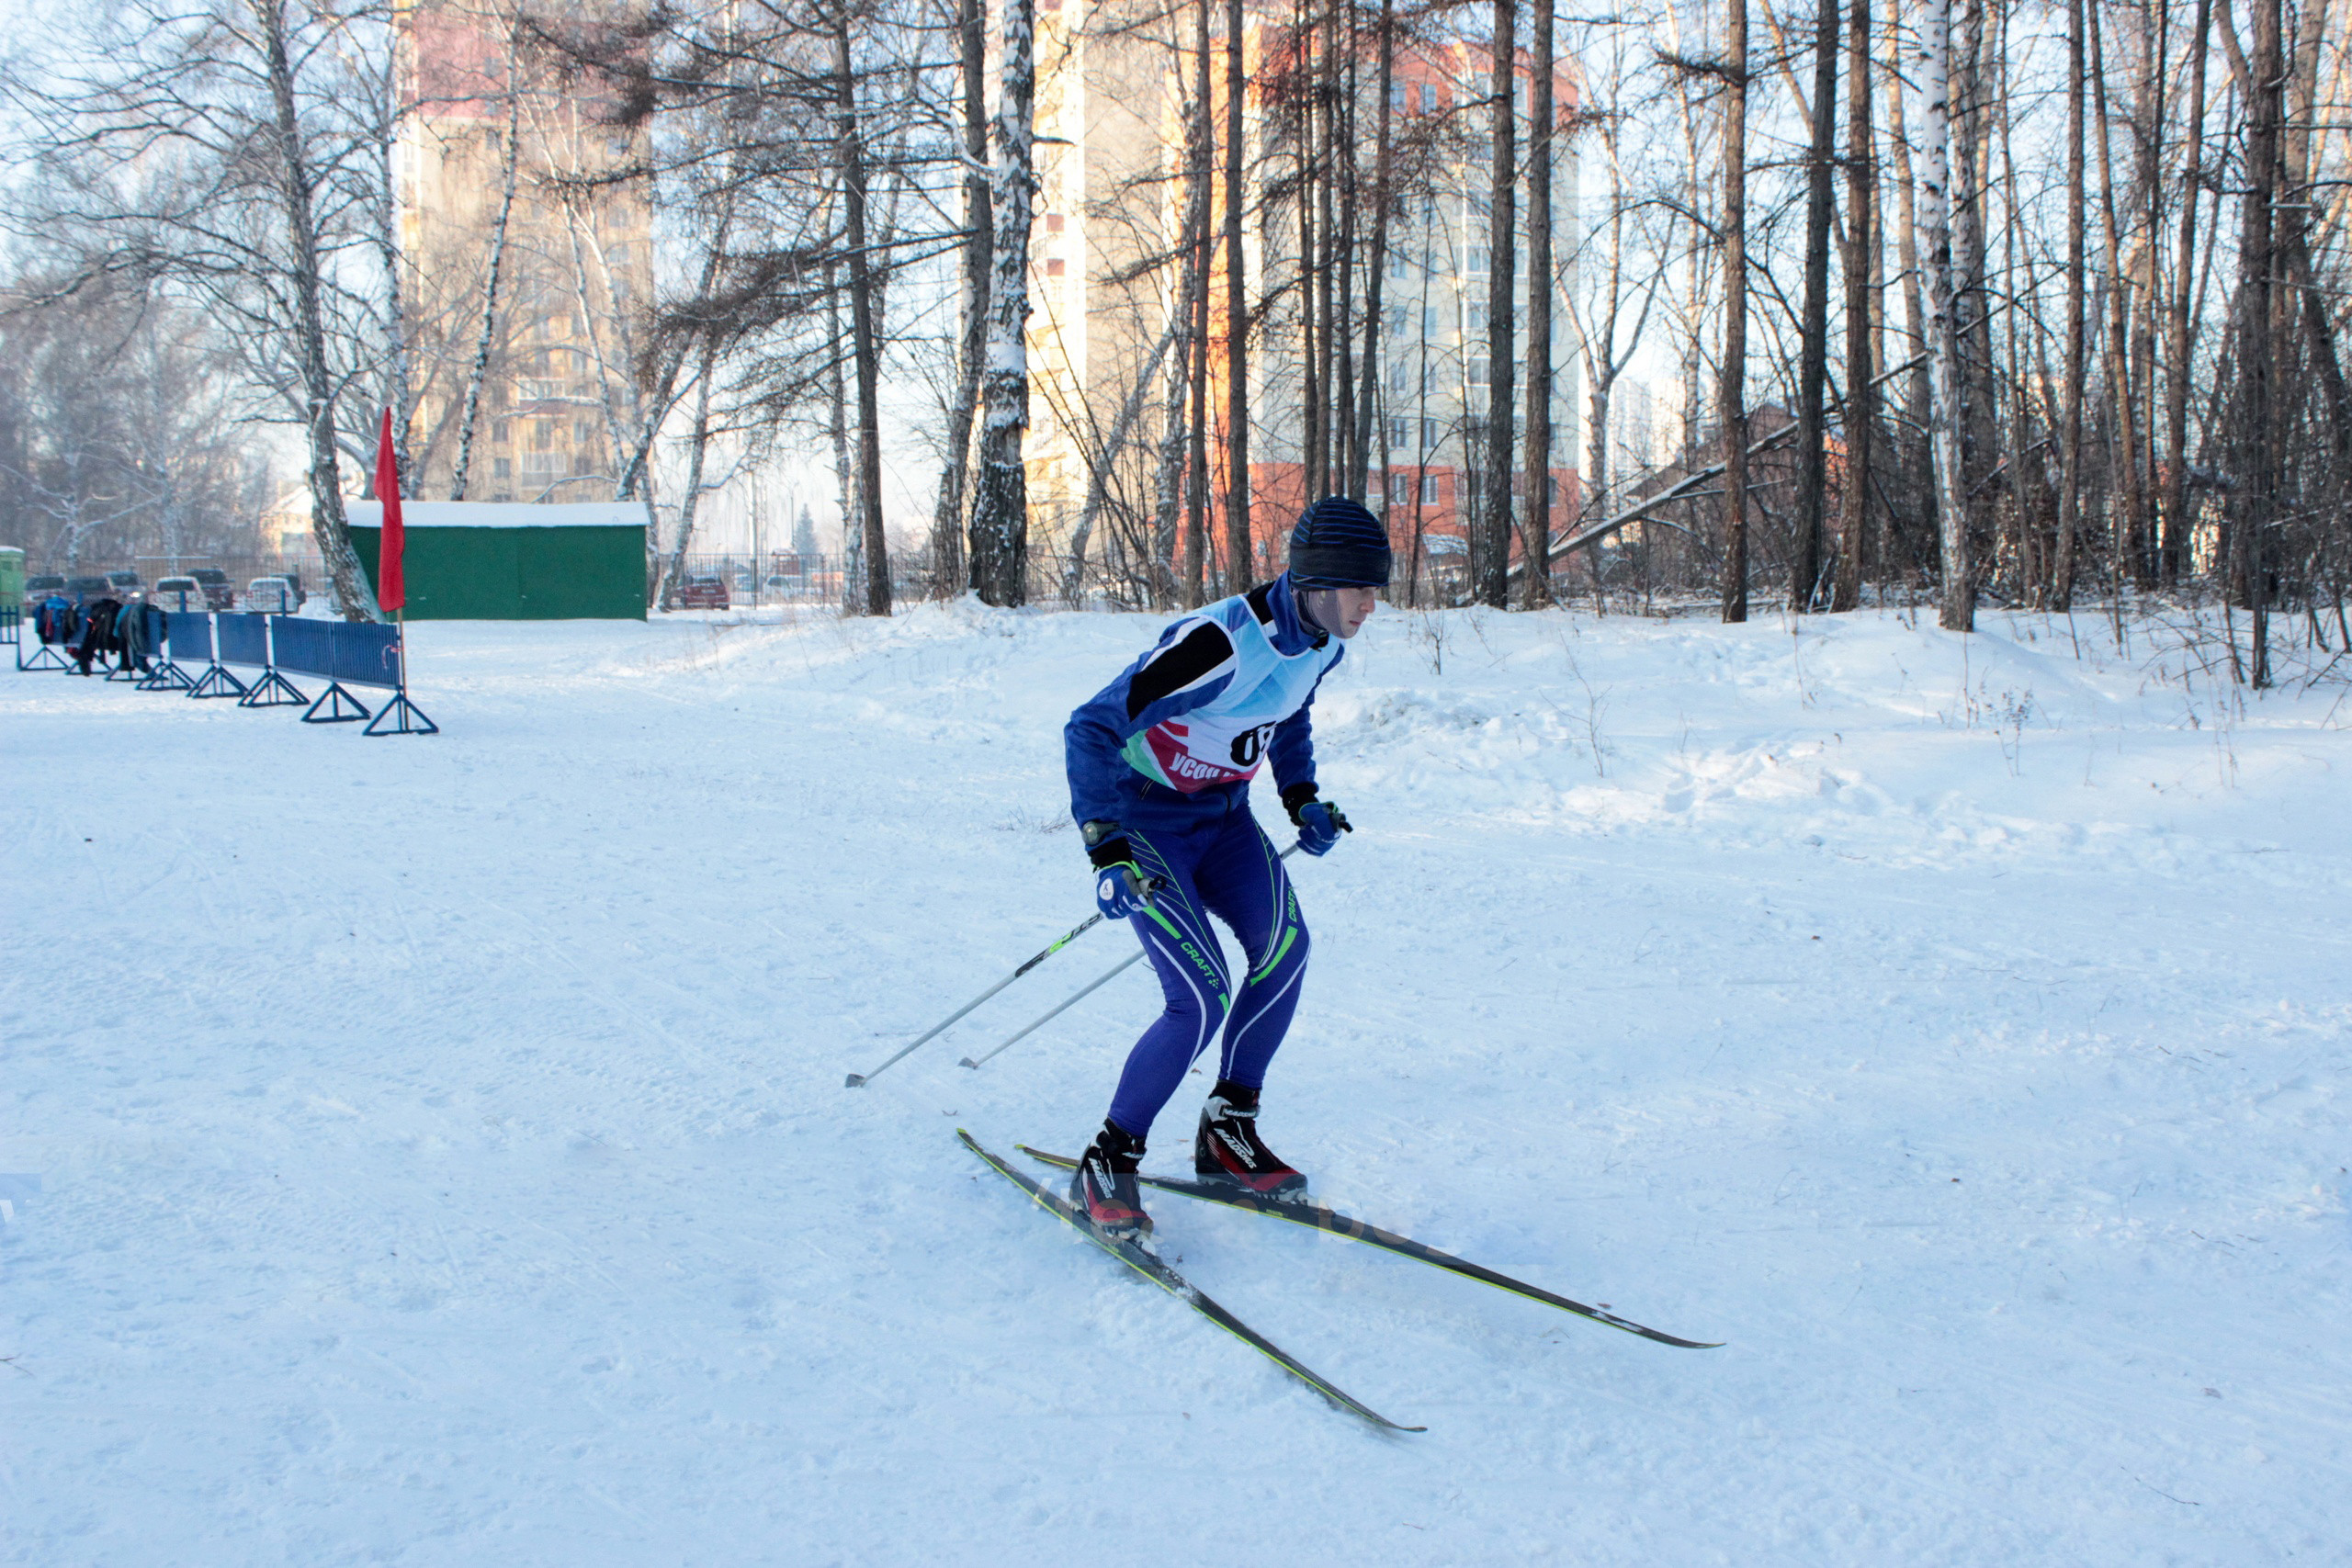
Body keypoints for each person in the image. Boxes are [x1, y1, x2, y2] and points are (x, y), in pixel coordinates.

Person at [1060, 495, 1389, 1241]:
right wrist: (1104, 843)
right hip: (1146, 819)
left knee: (1286, 951)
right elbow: (1091, 724)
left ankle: (1226, 1131)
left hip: (1225, 820)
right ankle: (1109, 1158)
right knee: (1200, 995)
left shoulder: (1324, 641)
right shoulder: (1219, 643)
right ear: (1312, 582)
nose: (1371, 606)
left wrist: (1301, 796)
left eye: (1377, 590)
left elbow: (1290, 711)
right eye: (1359, 589)